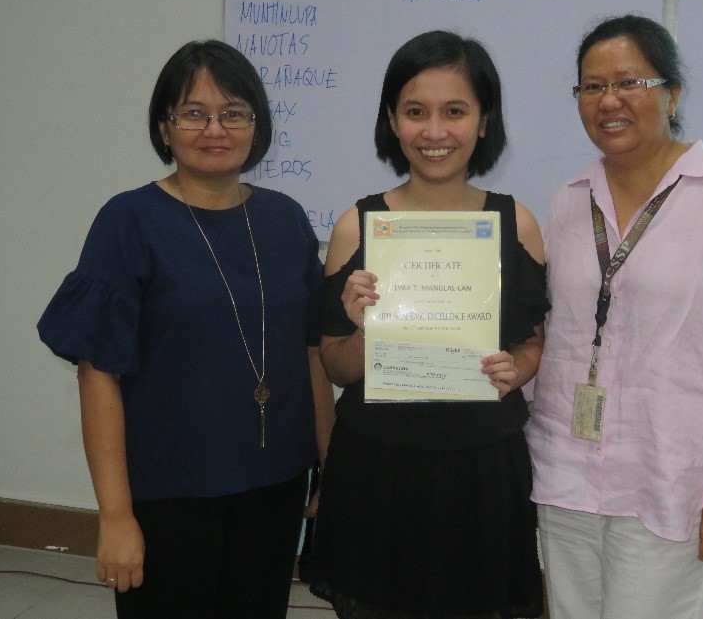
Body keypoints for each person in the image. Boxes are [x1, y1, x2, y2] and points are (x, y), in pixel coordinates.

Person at [37, 39, 334, 619]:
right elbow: (98, 372)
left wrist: (333, 469)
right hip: (169, 491)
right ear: (164, 127)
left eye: (234, 113)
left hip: (275, 484)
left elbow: (312, 355)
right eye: (193, 113)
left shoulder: (284, 218)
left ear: (257, 124)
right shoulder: (128, 220)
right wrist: (116, 516)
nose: (214, 129)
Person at [525, 14, 703, 619]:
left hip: (674, 485)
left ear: (673, 93)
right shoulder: (569, 201)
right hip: (567, 475)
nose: (609, 101)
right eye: (591, 87)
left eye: (629, 82)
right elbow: (556, 332)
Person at [309, 30, 550, 618]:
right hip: (376, 469)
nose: (435, 132)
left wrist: (513, 369)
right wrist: (365, 325)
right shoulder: (357, 226)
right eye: (416, 112)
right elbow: (337, 366)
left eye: (455, 112)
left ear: (484, 122)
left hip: (481, 471)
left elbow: (532, 344)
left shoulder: (515, 223)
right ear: (392, 120)